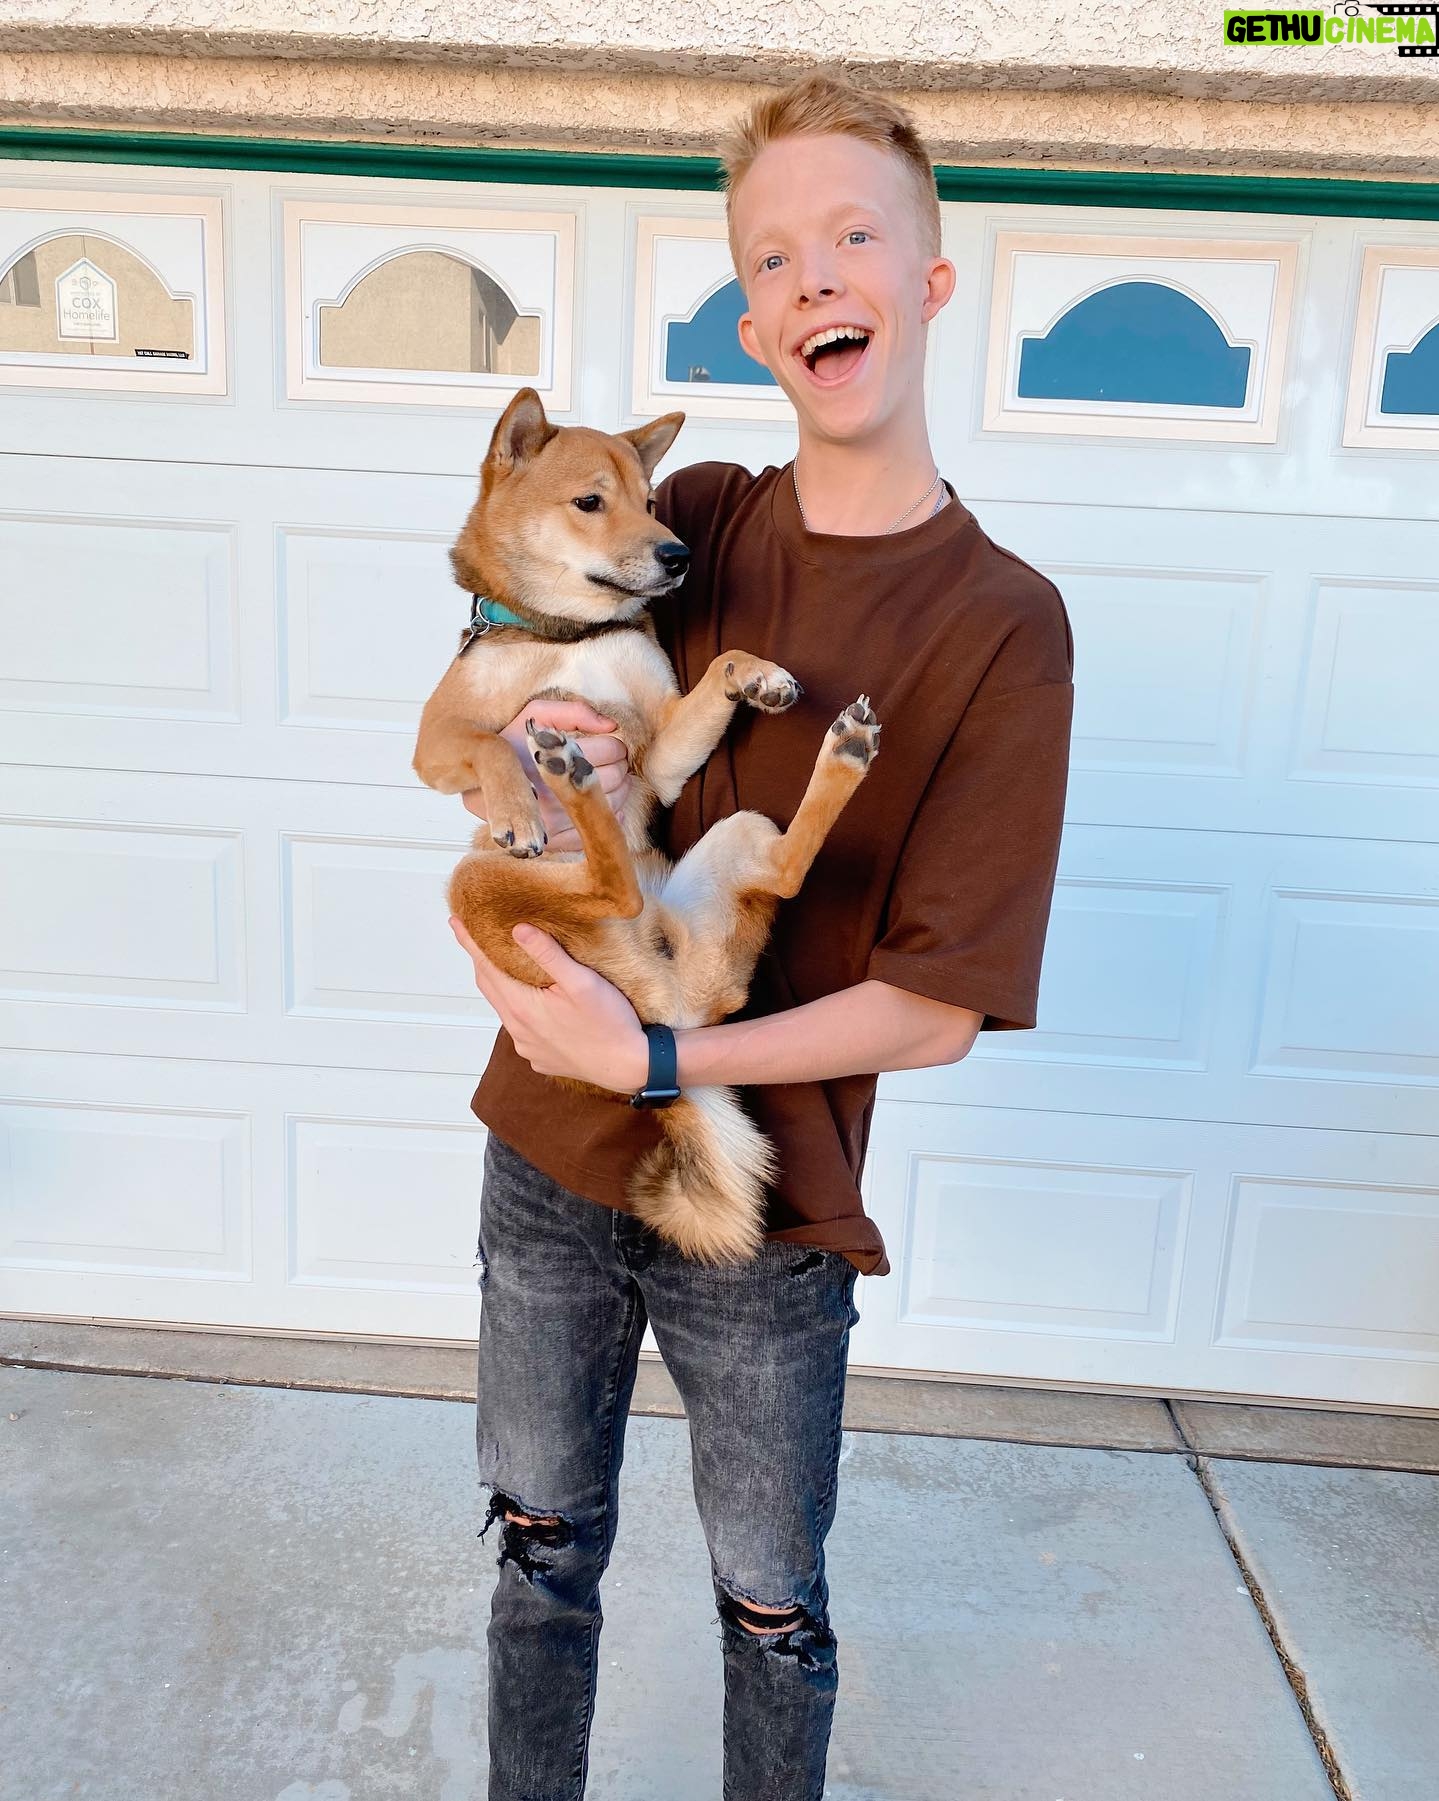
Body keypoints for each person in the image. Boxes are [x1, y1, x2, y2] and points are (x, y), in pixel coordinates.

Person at [448, 74, 1075, 1801]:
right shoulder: (697, 516)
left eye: (852, 238)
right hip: (548, 1150)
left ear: (928, 281)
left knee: (771, 1606)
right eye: (775, 257)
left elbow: (935, 1009)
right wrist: (522, 763)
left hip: (767, 1205)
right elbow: (504, 630)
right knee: (537, 1553)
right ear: (751, 320)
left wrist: (658, 1052)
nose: (816, 279)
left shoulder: (1003, 625)